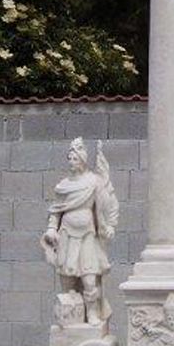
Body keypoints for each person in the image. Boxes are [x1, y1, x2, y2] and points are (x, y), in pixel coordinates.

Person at [41, 138, 118, 326]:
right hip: (67, 235)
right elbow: (56, 210)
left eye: (75, 158)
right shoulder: (64, 185)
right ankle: (70, 314)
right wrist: (51, 228)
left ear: (82, 160)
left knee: (89, 279)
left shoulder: (93, 181)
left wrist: (109, 226)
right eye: (70, 158)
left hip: (87, 236)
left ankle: (92, 313)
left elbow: (107, 204)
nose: (71, 162)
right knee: (67, 280)